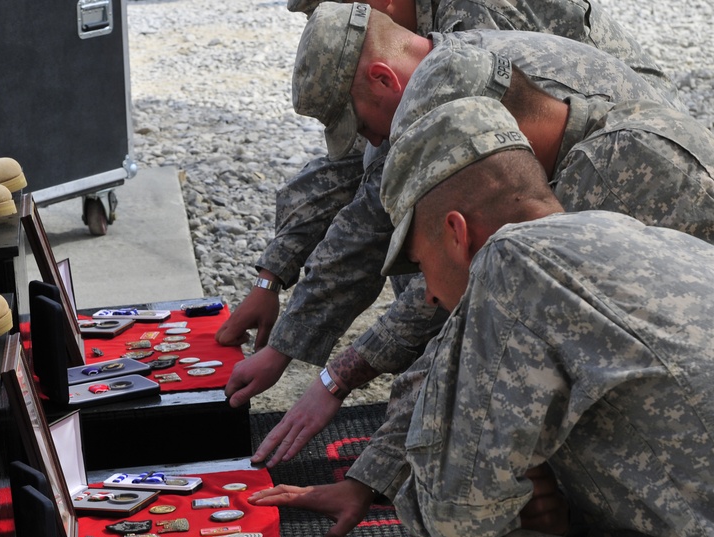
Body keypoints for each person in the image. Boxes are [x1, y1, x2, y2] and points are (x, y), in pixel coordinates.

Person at [247, 27, 714, 537]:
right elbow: (460, 315)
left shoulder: (613, 174)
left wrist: (381, 473)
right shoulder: (563, 164)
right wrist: (349, 406)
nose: (424, 288)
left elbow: (470, 350)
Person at [354, 95, 714, 537]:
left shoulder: (513, 261)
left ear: (456, 232)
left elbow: (454, 514)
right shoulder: (655, 241)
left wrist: (519, 497)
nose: (426, 293)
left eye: (421, 264)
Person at [216, 0, 679, 353]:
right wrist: (271, 277)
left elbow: (462, 185)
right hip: (569, 152)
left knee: (489, 266)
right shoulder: (403, 55)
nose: (339, 17)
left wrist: (349, 366)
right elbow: (360, 169)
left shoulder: (477, 19)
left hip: (628, 170)